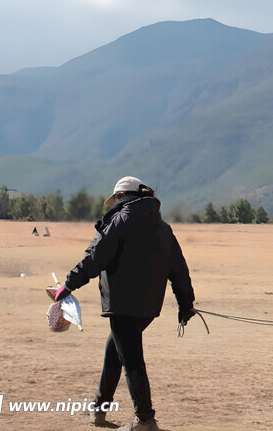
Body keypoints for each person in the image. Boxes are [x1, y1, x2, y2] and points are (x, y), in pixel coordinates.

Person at [54, 177, 196, 430]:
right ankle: (99, 407)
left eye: (117, 198)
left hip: (122, 305)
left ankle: (144, 420)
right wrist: (186, 304)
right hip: (148, 308)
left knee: (131, 360)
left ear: (122, 197)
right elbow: (179, 270)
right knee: (115, 352)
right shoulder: (163, 228)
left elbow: (95, 257)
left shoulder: (119, 221)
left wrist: (68, 284)